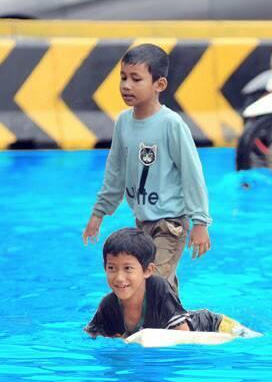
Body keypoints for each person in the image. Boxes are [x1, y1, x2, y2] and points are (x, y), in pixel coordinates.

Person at [82, 44, 211, 295]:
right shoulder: (123, 122)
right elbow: (115, 172)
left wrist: (200, 222)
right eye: (123, 78)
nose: (126, 85)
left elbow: (191, 174)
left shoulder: (171, 124)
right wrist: (99, 213)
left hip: (170, 225)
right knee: (159, 286)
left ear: (159, 85)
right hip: (142, 223)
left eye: (136, 79)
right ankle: (174, 320)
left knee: (149, 285)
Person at [84, 229, 252, 339]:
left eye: (128, 268)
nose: (119, 278)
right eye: (112, 268)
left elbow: (184, 338)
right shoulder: (109, 305)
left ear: (148, 270)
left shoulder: (158, 289)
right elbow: (92, 336)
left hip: (216, 327)